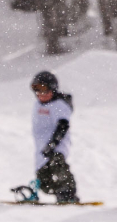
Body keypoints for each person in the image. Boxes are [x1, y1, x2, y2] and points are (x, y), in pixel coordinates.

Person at [25, 71, 79, 204]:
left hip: (57, 146)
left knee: (58, 166)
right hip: (41, 147)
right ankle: (57, 190)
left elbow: (63, 126)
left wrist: (53, 144)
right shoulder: (38, 105)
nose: (41, 94)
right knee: (43, 178)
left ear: (53, 89)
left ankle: (68, 192)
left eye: (44, 90)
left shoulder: (59, 105)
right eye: (37, 90)